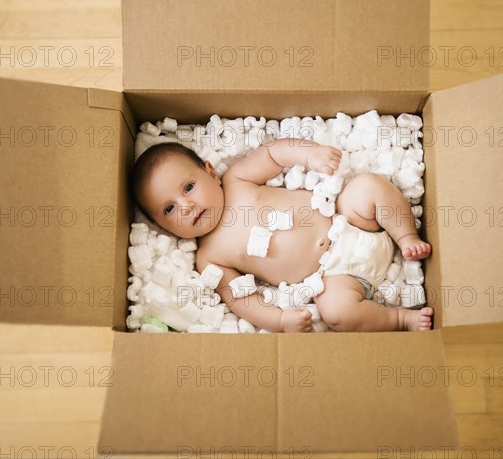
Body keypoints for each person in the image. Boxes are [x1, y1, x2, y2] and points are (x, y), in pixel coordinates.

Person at [131, 138, 433, 333]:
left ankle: (406, 236)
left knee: (366, 186)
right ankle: (399, 319)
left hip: (347, 219)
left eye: (188, 188)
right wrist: (278, 321)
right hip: (334, 277)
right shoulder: (208, 257)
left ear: (210, 172)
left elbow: (273, 154)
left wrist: (310, 154)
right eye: (169, 209)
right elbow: (240, 299)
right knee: (337, 313)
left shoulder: (236, 179)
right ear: (163, 228)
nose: (186, 206)